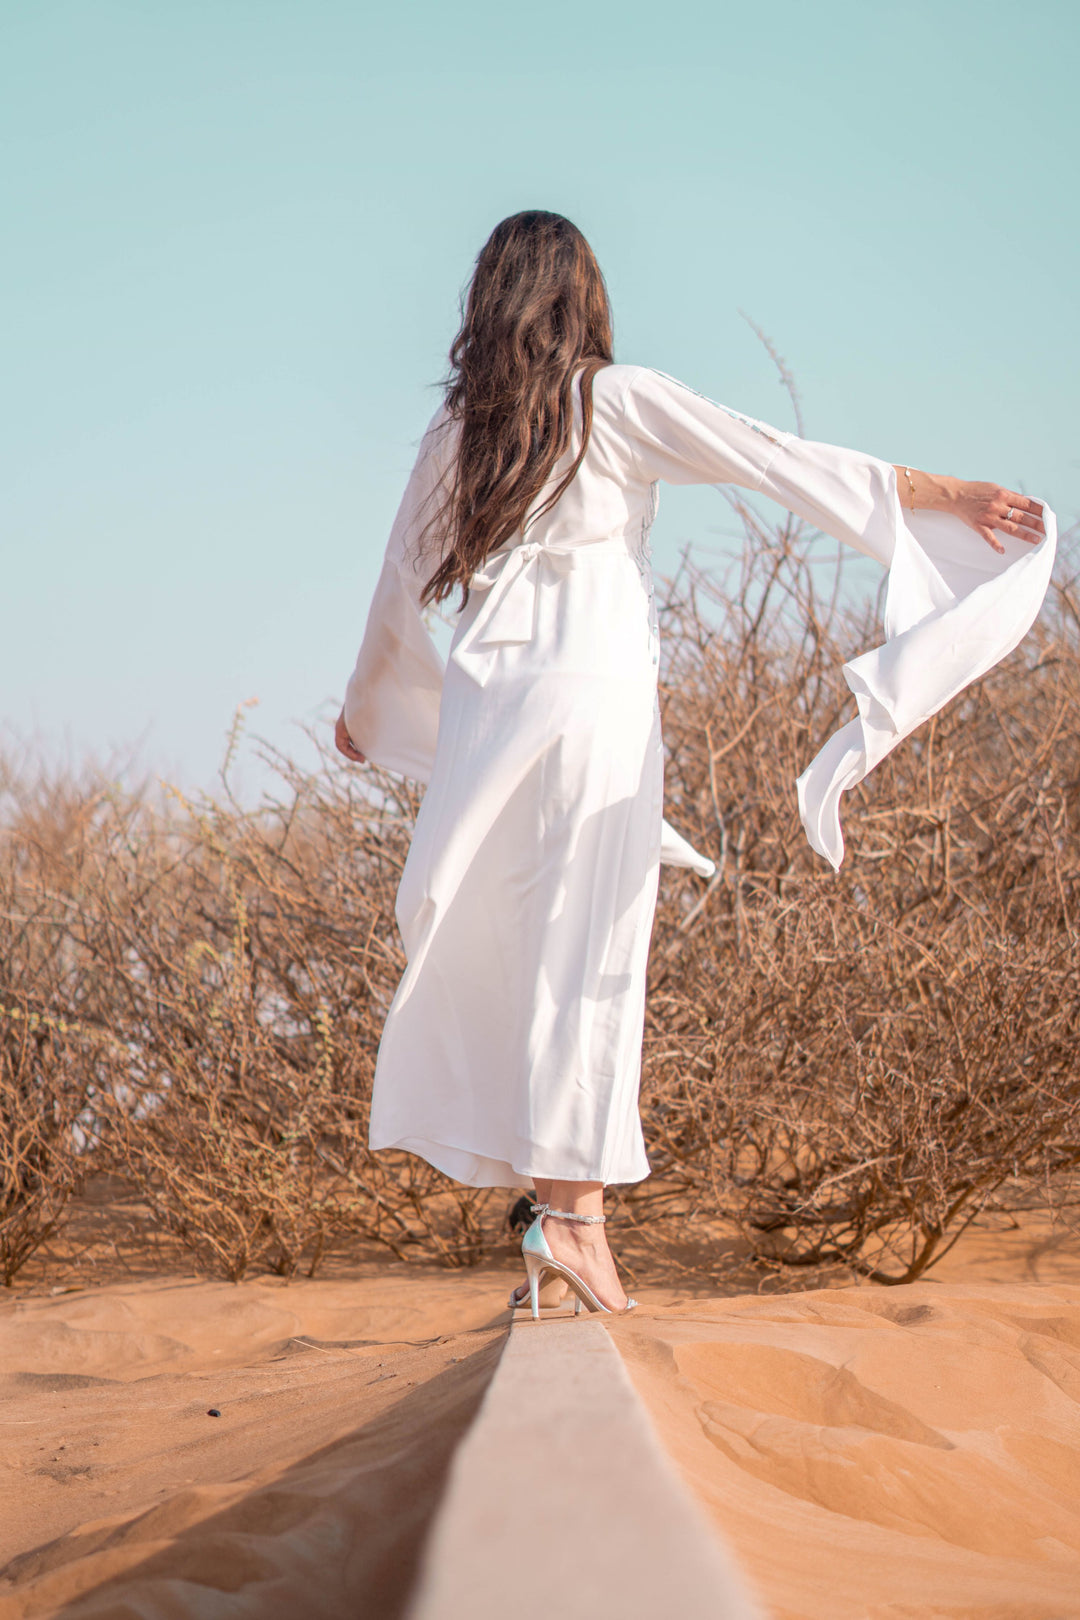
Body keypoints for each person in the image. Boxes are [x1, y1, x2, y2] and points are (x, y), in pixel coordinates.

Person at [336, 210, 1052, 1317]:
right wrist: (945, 495)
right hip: (591, 706)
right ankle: (574, 1223)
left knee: (515, 947)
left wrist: (365, 707)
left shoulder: (458, 435)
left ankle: (552, 1215)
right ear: (581, 298)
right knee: (587, 947)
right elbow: (774, 458)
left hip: (489, 716)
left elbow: (399, 580)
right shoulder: (609, 400)